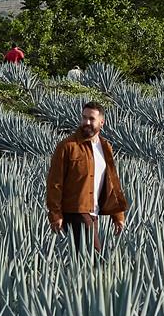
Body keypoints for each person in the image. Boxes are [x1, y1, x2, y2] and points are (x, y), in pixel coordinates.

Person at [45, 101, 128, 252]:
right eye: (84, 118)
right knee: (95, 257)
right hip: (76, 211)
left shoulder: (105, 147)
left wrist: (118, 215)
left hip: (93, 211)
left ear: (101, 122)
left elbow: (112, 183)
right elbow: (55, 183)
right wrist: (55, 214)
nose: (86, 122)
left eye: (91, 119)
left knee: (83, 261)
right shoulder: (67, 146)